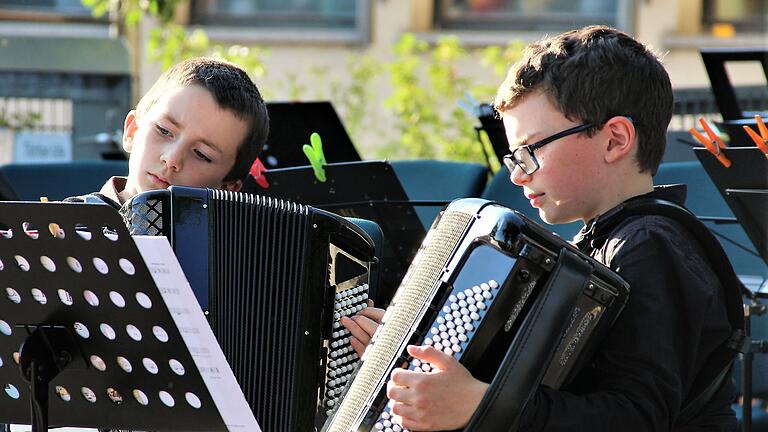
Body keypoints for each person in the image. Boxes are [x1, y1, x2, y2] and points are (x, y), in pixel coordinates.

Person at [342, 25, 738, 431]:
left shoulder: (650, 245)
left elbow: (637, 417)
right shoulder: (608, 241)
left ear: (615, 139)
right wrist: (410, 357)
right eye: (515, 156)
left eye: (532, 150)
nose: (517, 175)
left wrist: (480, 406)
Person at [66, 56, 269, 208]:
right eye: (164, 130)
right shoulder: (64, 226)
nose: (172, 159)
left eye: (201, 154)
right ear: (132, 131)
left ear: (227, 188)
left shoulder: (230, 253)